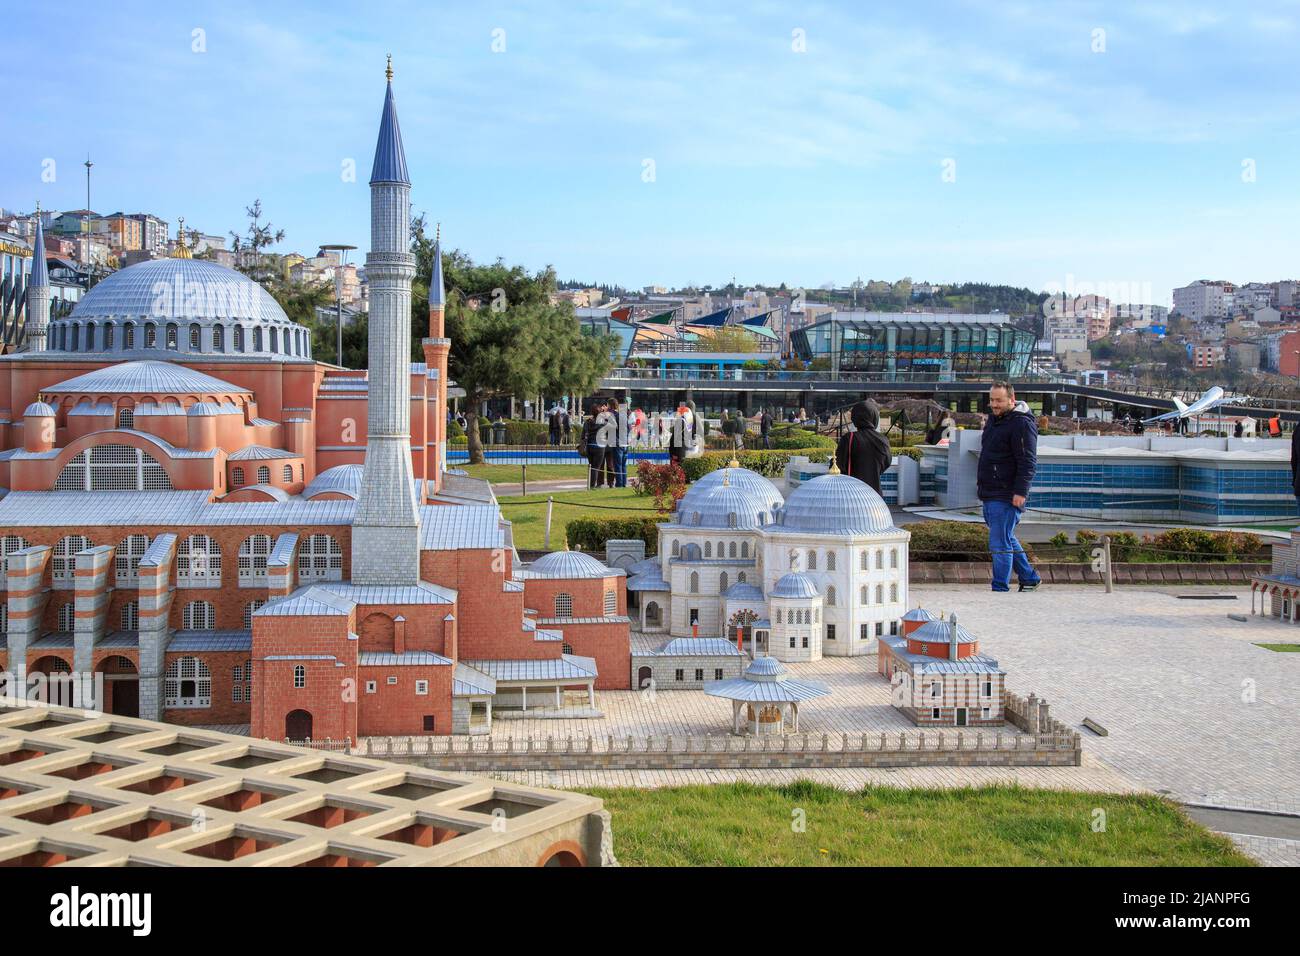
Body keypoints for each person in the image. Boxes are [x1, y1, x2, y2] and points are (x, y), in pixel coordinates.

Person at [977, 382, 1041, 593]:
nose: (994, 405)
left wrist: (1021, 492)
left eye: (999, 400)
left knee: (999, 542)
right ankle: (1029, 577)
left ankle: (1000, 589)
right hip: (990, 491)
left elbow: (1028, 462)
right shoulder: (994, 421)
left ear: (1012, 400)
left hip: (1006, 493)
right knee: (1006, 538)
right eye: (992, 400)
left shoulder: (1022, 424)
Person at [835, 400, 892, 496]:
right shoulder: (883, 440)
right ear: (874, 417)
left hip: (853, 494)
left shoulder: (849, 439)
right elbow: (887, 462)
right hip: (875, 495)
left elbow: (838, 465)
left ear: (855, 418)